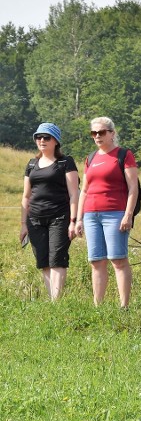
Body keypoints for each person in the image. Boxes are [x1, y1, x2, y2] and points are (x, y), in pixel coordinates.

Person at [75, 117, 138, 308]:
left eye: (101, 132)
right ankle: (98, 307)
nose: (97, 136)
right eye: (93, 133)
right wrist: (79, 219)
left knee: (118, 260)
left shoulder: (124, 155)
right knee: (96, 261)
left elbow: (133, 188)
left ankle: (124, 306)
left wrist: (128, 215)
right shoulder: (91, 158)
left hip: (115, 213)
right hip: (91, 215)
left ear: (112, 133)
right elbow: (84, 190)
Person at [21, 123, 79, 301]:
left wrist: (73, 220)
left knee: (57, 259)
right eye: (38, 137)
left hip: (60, 217)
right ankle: (51, 301)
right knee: (44, 261)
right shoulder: (31, 164)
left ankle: (56, 303)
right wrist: (23, 224)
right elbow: (26, 196)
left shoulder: (65, 162)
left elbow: (74, 193)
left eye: (46, 137)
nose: (42, 141)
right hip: (35, 220)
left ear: (56, 141)